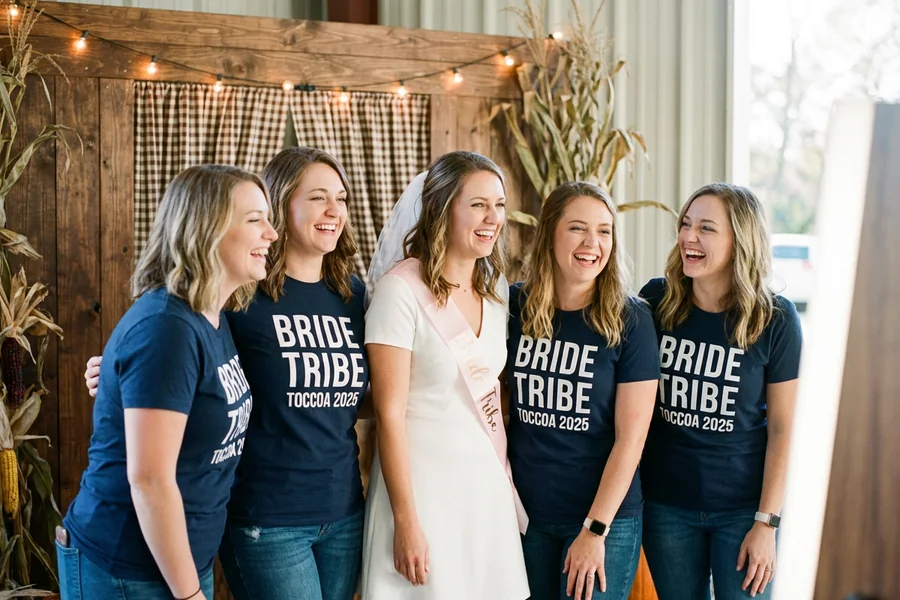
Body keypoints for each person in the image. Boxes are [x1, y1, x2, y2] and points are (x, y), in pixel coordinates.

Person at [84, 147, 370, 600]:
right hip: (263, 514)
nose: (334, 210)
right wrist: (116, 376)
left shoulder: (352, 295)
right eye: (318, 197)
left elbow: (358, 391)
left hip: (341, 506)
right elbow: (164, 360)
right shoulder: (238, 298)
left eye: (342, 198)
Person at [59, 165, 278, 600]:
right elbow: (149, 479)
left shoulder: (212, 317)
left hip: (176, 564)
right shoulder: (168, 327)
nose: (271, 234)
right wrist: (189, 594)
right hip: (127, 566)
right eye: (255, 220)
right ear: (207, 229)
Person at [360, 151, 529, 599]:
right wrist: (406, 521)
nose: (492, 217)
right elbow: (388, 416)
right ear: (440, 208)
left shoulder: (497, 293)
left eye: (498, 204)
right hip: (422, 497)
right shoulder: (400, 292)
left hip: (483, 493)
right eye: (477, 204)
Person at [638, 183, 802, 600]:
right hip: (666, 507)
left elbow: (785, 428)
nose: (689, 237)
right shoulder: (656, 301)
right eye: (686, 224)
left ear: (740, 241)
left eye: (706, 228)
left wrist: (767, 523)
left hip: (744, 512)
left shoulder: (776, 320)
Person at [506, 181, 660, 600]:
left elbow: (632, 439)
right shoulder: (514, 307)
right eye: (578, 228)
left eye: (605, 231)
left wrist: (594, 531)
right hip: (526, 519)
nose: (593, 243)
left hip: (603, 520)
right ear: (550, 234)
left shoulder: (631, 320)